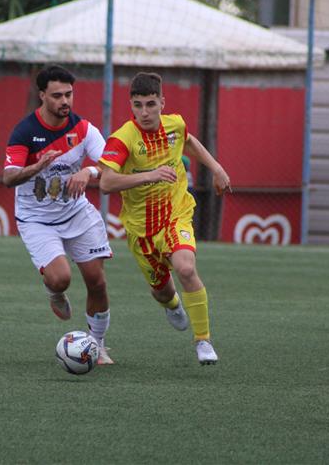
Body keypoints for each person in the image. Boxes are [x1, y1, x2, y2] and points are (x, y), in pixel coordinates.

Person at [98, 72, 231, 365]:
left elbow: (188, 140)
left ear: (162, 103)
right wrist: (151, 175)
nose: (144, 112)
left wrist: (216, 168)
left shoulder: (175, 124)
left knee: (185, 267)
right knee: (162, 292)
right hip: (141, 228)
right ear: (130, 105)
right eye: (137, 105)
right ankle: (172, 305)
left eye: (150, 104)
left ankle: (203, 341)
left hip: (176, 214)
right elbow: (106, 183)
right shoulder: (122, 139)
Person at [2, 65, 114, 365]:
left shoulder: (84, 129)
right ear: (42, 96)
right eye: (57, 96)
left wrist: (88, 171)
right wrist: (37, 167)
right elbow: (9, 177)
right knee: (61, 278)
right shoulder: (25, 132)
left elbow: (112, 165)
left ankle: (98, 346)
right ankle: (53, 290)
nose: (65, 101)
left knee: (97, 281)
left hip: (76, 213)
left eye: (69, 94)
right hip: (37, 220)